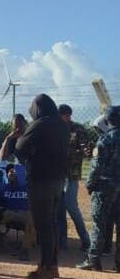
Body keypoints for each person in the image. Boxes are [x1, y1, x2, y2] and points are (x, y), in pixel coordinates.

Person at [14, 94, 69, 279]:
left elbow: (20, 147)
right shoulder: (62, 125)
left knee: (43, 226)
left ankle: (45, 269)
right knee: (51, 224)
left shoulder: (41, 124)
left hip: (41, 180)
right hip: (57, 181)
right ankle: (52, 266)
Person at [76, 105, 120, 272]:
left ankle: (93, 260)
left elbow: (96, 167)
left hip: (105, 187)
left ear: (107, 120)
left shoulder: (105, 139)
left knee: (99, 224)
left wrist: (90, 184)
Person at [0, 163, 35, 260]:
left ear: (22, 174)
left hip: (25, 213)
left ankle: (25, 249)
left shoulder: (29, 188)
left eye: (14, 171)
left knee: (34, 216)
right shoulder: (3, 187)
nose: (11, 173)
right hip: (8, 212)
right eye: (9, 171)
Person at [57, 104, 91, 252]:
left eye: (68, 115)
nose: (67, 117)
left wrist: (84, 150)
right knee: (59, 209)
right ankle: (62, 241)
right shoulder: (54, 129)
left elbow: (86, 148)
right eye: (65, 115)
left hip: (71, 175)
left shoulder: (78, 129)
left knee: (71, 206)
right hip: (57, 175)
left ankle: (86, 240)